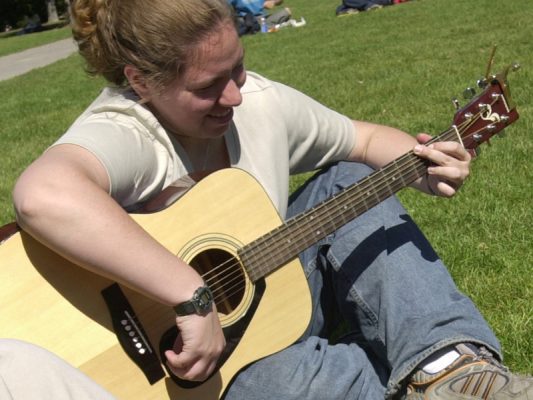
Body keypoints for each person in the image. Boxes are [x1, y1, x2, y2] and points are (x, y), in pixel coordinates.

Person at [11, 0, 532, 399]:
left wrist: (428, 163)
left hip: (276, 293)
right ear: (140, 82)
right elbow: (43, 194)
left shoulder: (256, 103)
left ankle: (454, 370)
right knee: (268, 381)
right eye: (210, 86)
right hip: (203, 373)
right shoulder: (126, 129)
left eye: (237, 68)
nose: (235, 95)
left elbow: (366, 141)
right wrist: (189, 295)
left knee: (348, 178)